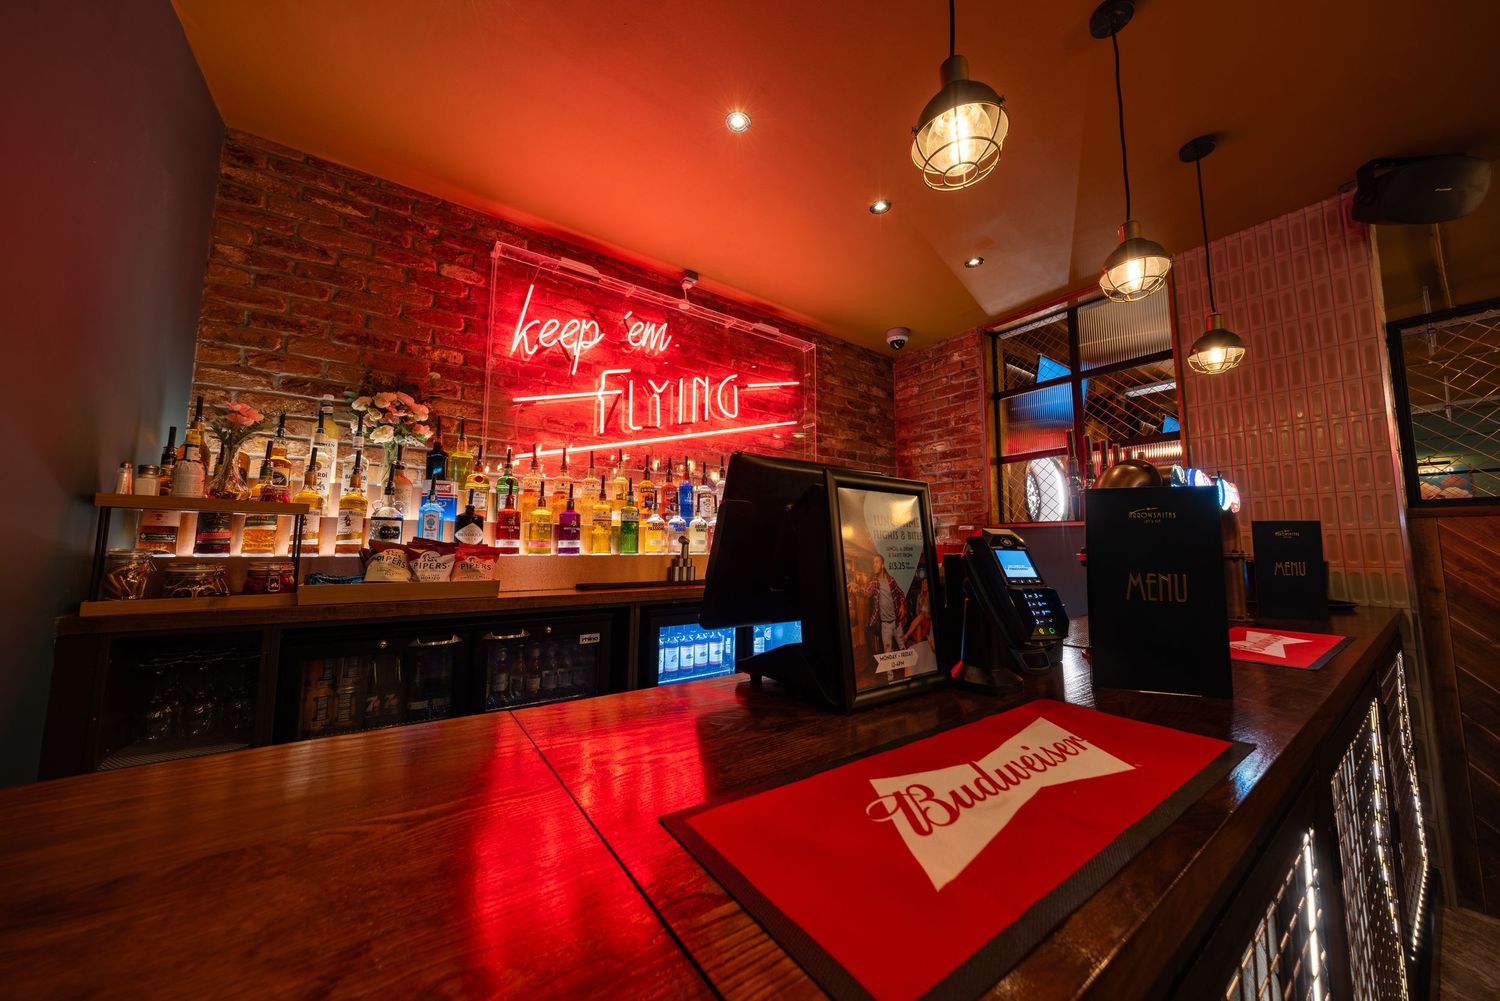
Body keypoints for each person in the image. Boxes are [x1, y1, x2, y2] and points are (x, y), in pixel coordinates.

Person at [865, 555, 906, 653]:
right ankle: (889, 669)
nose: (874, 565)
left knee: (903, 650)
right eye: (873, 562)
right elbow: (866, 592)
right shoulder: (874, 582)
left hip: (896, 623)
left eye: (877, 562)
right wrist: (855, 588)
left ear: (882, 565)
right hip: (885, 626)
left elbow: (901, 594)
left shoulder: (890, 580)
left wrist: (902, 605)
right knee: (888, 654)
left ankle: (907, 669)